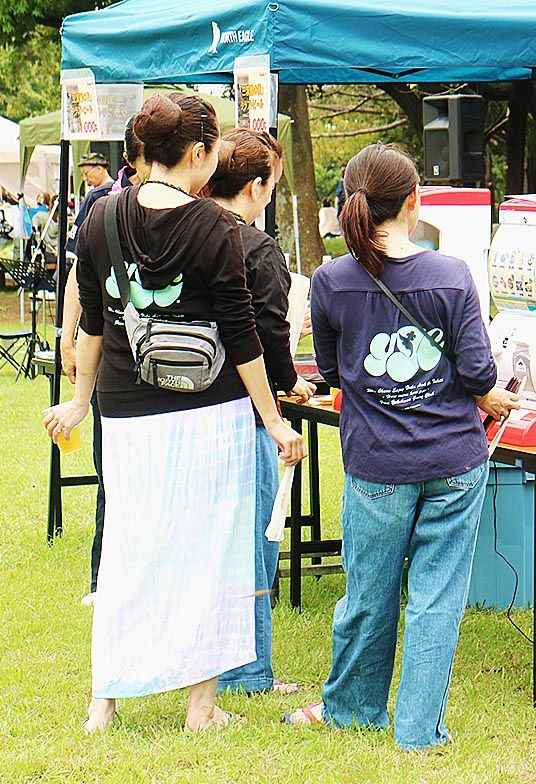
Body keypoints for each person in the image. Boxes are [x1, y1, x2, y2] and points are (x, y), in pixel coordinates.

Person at [43, 93, 306, 734]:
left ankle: (103, 705)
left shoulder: (102, 217)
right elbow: (242, 337)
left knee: (128, 550)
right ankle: (200, 708)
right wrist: (273, 420)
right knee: (210, 555)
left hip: (125, 412)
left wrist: (80, 400)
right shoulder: (219, 229)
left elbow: (96, 320)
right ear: (198, 152)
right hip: (209, 410)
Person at [282, 143, 519, 750]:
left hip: (376, 464)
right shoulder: (452, 275)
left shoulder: (331, 281)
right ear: (414, 202)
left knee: (368, 594)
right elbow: (477, 371)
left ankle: (353, 709)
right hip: (454, 459)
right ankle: (418, 730)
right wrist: (489, 395)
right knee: (437, 598)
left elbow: (332, 372)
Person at [205, 128, 315, 695]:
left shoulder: (187, 232)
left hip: (182, 408)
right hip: (244, 410)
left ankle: (210, 665)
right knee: (255, 542)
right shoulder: (256, 248)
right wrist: (288, 385)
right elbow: (270, 332)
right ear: (255, 186)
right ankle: (248, 672)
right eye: (271, 184)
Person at [60, 120, 152, 602]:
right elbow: (80, 277)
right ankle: (103, 577)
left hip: (163, 365)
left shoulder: (186, 206)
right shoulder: (102, 205)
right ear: (131, 161)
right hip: (114, 359)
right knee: (110, 473)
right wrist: (68, 337)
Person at [66, 152, 114, 260]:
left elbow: (80, 227)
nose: (84, 178)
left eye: (86, 173)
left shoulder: (94, 195)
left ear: (99, 169)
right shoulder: (122, 190)